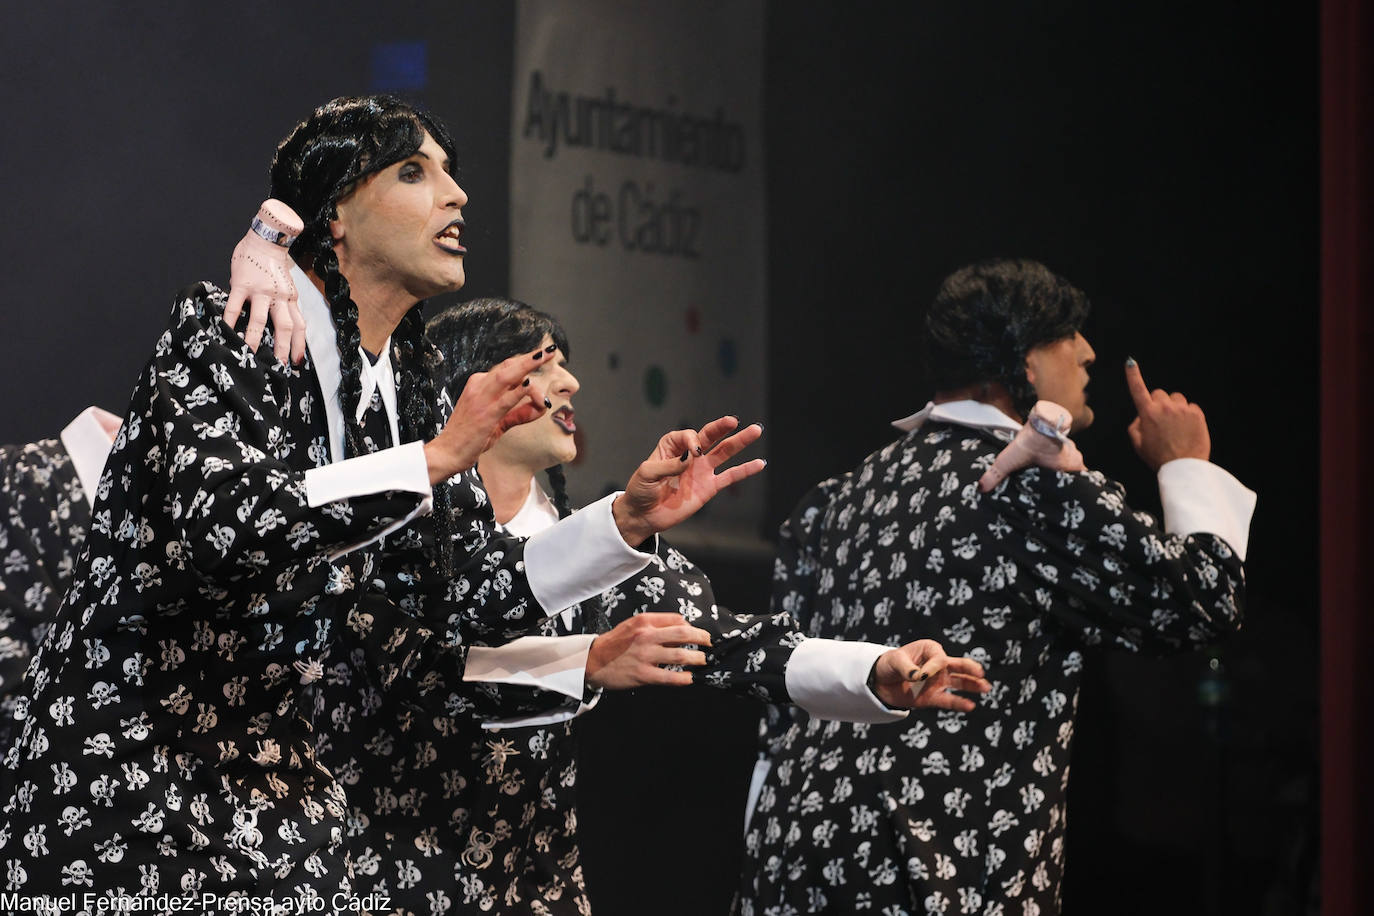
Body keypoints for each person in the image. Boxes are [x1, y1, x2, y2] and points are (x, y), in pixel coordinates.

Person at [0, 95, 757, 906]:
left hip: (279, 808)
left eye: (450, 174)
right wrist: (432, 461)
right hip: (129, 791)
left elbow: (467, 593)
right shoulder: (227, 331)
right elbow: (231, 526)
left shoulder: (411, 387)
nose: (456, 194)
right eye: (412, 172)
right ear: (337, 217)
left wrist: (623, 521)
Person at [306, 297, 991, 915]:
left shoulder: (594, 538)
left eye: (568, 365)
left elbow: (721, 642)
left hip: (536, 882)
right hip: (386, 872)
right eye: (542, 365)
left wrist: (874, 672)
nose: (571, 383)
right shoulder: (397, 523)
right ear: (468, 391)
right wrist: (588, 659)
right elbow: (421, 667)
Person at [736, 258, 1255, 915]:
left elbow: (779, 712)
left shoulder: (829, 503)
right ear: (1029, 362)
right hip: (941, 869)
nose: (1090, 351)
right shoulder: (1025, 481)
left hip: (792, 861)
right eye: (1070, 332)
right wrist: (1185, 465)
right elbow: (1202, 602)